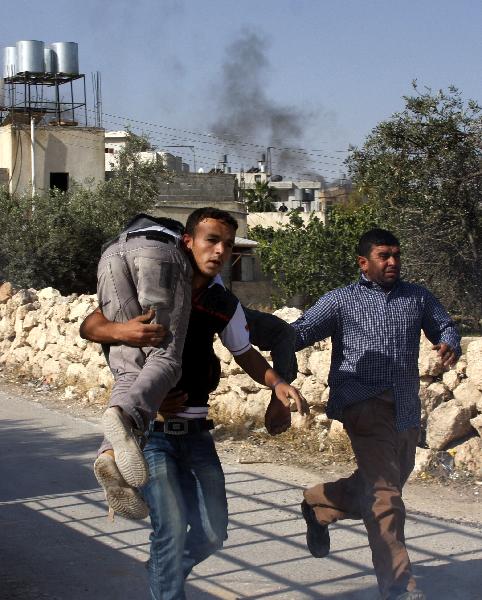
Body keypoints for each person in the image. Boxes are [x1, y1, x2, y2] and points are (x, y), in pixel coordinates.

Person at [81, 207, 308, 600]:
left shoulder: (222, 301)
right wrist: (124, 331)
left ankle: (164, 568)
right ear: (188, 242)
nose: (220, 251)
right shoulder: (160, 282)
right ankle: (167, 578)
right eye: (211, 240)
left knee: (213, 531)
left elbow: (245, 352)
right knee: (168, 527)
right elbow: (91, 325)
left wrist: (277, 383)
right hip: (154, 434)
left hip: (198, 433)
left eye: (228, 244)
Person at [292, 228, 461, 600]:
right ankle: (399, 587)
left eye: (396, 255)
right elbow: (299, 333)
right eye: (384, 256)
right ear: (363, 262)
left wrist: (449, 341)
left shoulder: (416, 296)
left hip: (404, 405)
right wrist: (249, 331)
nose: (392, 263)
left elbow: (445, 325)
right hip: (361, 404)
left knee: (385, 484)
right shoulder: (341, 300)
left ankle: (319, 503)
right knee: (385, 496)